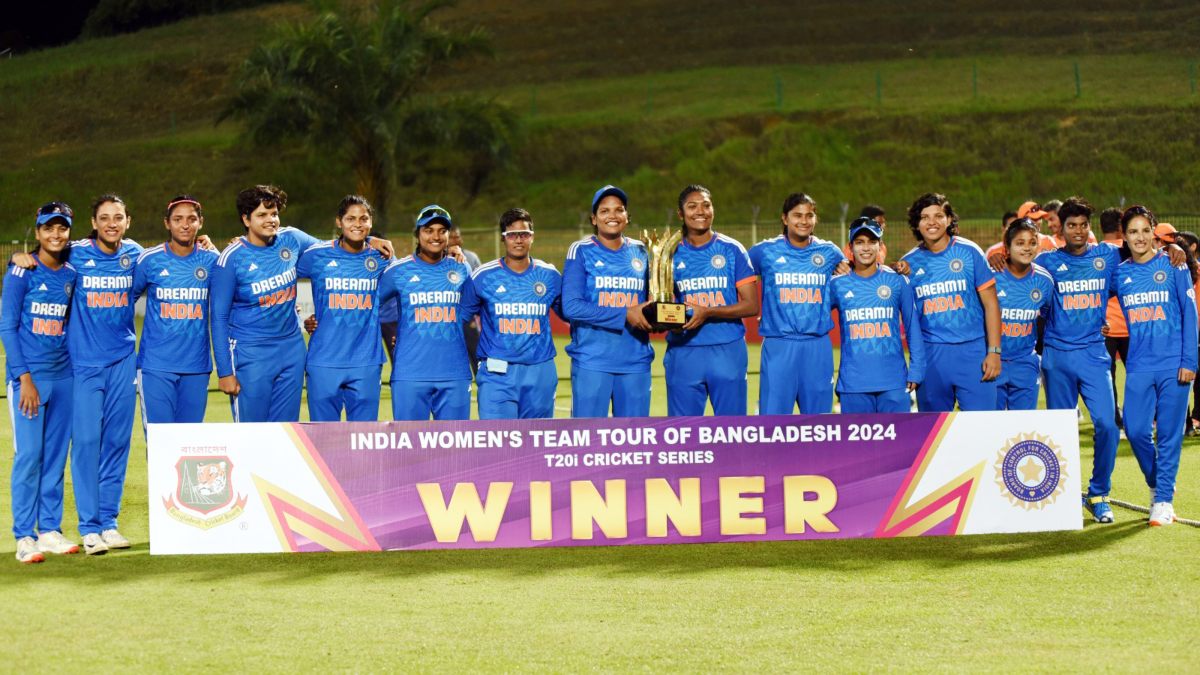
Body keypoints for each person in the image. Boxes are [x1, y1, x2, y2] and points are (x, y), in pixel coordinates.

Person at [211, 185, 392, 423]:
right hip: (251, 351)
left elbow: (335, 251)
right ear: (246, 219)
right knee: (252, 434)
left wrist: (368, 238)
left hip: (292, 350)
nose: (270, 220)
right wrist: (224, 371)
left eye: (274, 213)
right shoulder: (232, 258)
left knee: (288, 432)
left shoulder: (292, 239)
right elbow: (218, 317)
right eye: (262, 215)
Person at [1034, 196, 1122, 523]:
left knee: (1107, 425)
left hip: (1094, 355)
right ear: (1062, 229)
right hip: (1056, 356)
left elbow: (1145, 255)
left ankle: (1099, 493)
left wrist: (1175, 250)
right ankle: (1064, 497)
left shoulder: (1107, 256)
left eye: (1084, 225)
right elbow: (1019, 274)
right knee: (1061, 430)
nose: (1079, 231)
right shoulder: (1046, 261)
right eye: (1072, 225)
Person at [2, 203, 79, 563]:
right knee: (29, 457)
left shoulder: (70, 273)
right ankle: (24, 536)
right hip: (29, 382)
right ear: (37, 233)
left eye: (62, 228)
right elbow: (8, 327)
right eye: (48, 228)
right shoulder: (21, 272)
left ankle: (49, 530)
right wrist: (24, 378)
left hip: (63, 378)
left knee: (54, 459)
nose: (55, 234)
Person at [66, 195, 143, 554]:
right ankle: (89, 527)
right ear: (94, 222)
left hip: (123, 361)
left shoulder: (135, 254)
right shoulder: (76, 252)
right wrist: (23, 257)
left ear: (128, 221)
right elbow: (44, 258)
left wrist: (207, 245)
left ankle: (109, 523)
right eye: (104, 218)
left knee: (116, 442)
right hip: (83, 364)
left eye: (118, 217)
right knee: (85, 443)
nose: (112, 223)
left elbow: (172, 261)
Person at [1114, 205, 1198, 527]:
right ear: (1125, 236)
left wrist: (1190, 361)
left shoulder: (1173, 266)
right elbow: (1091, 292)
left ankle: (1163, 500)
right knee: (1135, 430)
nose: (1139, 237)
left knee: (1169, 435)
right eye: (1132, 232)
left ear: (1153, 233)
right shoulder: (1119, 273)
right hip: (1137, 365)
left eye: (1145, 231)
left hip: (1174, 364)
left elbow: (1190, 314)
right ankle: (1158, 482)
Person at [900, 193, 1001, 411]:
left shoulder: (969, 251)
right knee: (935, 436)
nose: (932, 222)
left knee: (983, 429)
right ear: (917, 224)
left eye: (938, 215)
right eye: (924, 217)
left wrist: (994, 351)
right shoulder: (908, 263)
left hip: (974, 353)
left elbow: (991, 304)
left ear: (949, 219)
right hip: (932, 356)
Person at [664, 185, 759, 416]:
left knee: (731, 432)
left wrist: (707, 312)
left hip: (727, 349)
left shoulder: (731, 249)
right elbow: (664, 303)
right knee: (682, 434)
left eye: (706, 205)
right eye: (692, 206)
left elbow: (751, 305)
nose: (701, 211)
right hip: (684, 350)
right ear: (680, 214)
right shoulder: (668, 253)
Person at [561, 185, 653, 417]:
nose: (612, 215)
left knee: (635, 443)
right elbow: (571, 306)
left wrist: (661, 317)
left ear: (627, 216)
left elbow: (650, 302)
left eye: (619, 210)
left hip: (636, 361)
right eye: (604, 211)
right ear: (594, 218)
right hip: (593, 361)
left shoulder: (642, 251)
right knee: (588, 443)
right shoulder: (580, 250)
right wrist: (624, 314)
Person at [749, 193, 845, 414]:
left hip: (817, 345)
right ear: (785, 218)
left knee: (819, 423)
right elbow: (738, 280)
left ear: (815, 219)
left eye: (809, 215)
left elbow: (848, 285)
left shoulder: (829, 253)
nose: (804, 221)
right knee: (773, 422)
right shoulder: (764, 252)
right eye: (797, 215)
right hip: (779, 345)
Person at [461, 208, 563, 419]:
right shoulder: (483, 276)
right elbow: (457, 318)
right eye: (512, 235)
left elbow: (571, 313)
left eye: (524, 234)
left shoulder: (550, 275)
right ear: (503, 238)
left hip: (540, 371)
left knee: (537, 442)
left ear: (532, 237)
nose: (518, 240)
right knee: (498, 442)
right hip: (497, 372)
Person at [296, 195, 388, 422]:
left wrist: (453, 252)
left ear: (371, 223)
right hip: (324, 360)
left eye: (363, 219)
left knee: (363, 442)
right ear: (339, 222)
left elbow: (416, 278)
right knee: (323, 440)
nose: (357, 223)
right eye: (350, 218)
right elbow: (280, 277)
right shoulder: (317, 255)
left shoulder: (382, 257)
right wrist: (294, 315)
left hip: (365, 361)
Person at [377, 205, 473, 420]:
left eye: (442, 230)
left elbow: (472, 307)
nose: (436, 236)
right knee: (409, 449)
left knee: (455, 450)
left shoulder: (461, 268)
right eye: (428, 230)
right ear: (417, 234)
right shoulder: (399, 271)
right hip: (410, 374)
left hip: (454, 374)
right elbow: (367, 305)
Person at [131, 195, 219, 428]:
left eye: (191, 219)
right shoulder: (150, 260)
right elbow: (123, 302)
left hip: (197, 367)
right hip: (156, 366)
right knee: (161, 444)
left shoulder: (212, 260)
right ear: (167, 223)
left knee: (188, 443)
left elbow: (235, 294)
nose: (185, 224)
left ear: (200, 222)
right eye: (178, 219)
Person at [829, 217, 925, 413]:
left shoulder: (897, 281)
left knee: (899, 443)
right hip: (853, 384)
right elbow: (816, 320)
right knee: (857, 445)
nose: (866, 248)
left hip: (894, 382)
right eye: (860, 242)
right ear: (850, 247)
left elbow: (912, 327)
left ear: (880, 246)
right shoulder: (837, 284)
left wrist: (916, 369)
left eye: (872, 242)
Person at [993, 218, 1054, 410]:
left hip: (1025, 363)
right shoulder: (992, 276)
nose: (1027, 248)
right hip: (993, 363)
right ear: (1007, 247)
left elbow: (1049, 316)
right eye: (1020, 243)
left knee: (1022, 428)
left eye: (1032, 242)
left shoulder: (1044, 281)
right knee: (990, 429)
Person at [1098, 207, 1129, 428]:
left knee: (1108, 378)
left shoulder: (1097, 252)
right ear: (1122, 227)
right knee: (1139, 377)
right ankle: (1142, 418)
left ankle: (1114, 422)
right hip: (1133, 325)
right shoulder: (1133, 251)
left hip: (1105, 326)